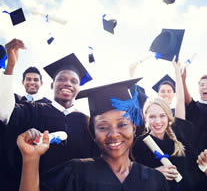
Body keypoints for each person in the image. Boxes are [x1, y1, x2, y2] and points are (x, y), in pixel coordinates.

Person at [17, 78, 170, 191]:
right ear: (93, 133)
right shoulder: (75, 172)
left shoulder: (155, 180)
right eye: (103, 127)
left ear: (134, 128)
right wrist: (31, 159)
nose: (114, 134)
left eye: (122, 124)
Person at [0, 39, 98, 191]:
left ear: (78, 89)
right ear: (52, 85)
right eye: (62, 79)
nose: (68, 83)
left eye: (74, 81)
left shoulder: (87, 122)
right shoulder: (33, 110)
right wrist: (10, 66)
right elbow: (4, 111)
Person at [133, 57, 204, 190]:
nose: (158, 121)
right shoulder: (140, 144)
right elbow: (136, 178)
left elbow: (180, 100)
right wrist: (154, 173)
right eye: (152, 117)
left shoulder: (178, 134)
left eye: (162, 116)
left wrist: (177, 71)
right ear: (146, 118)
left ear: (168, 117)